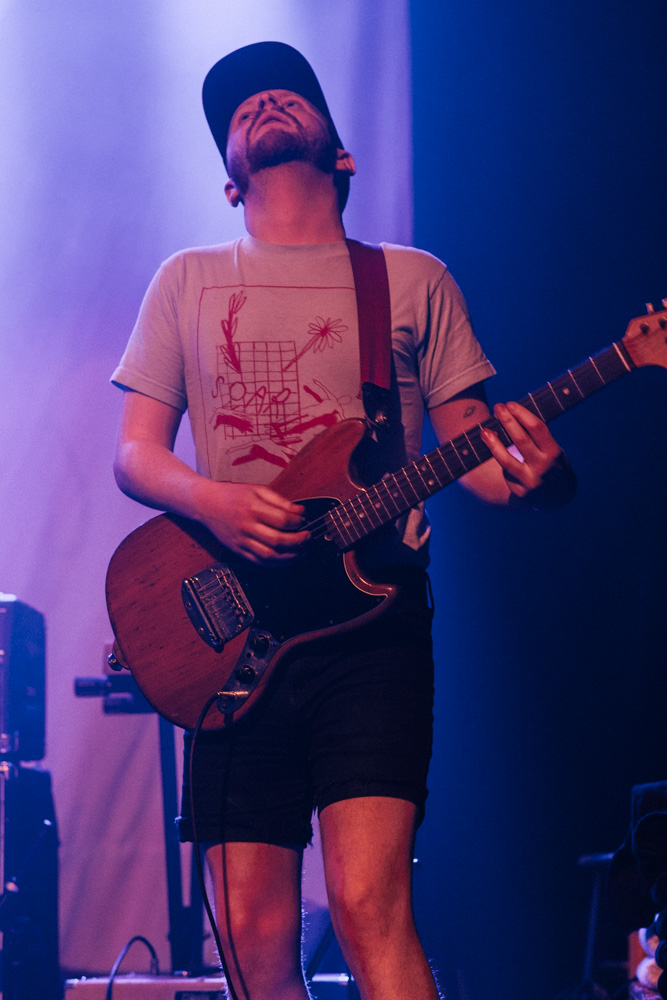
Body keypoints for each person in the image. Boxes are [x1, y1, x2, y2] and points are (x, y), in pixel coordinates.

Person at [111, 41, 576, 1000]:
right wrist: (218, 501)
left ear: (343, 152)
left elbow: (477, 461)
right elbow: (136, 455)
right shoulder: (186, 280)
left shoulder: (409, 280)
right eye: (238, 109)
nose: (262, 102)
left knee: (370, 906)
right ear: (228, 181)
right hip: (235, 639)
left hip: (373, 633)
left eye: (286, 93)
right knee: (251, 927)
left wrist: (534, 476)